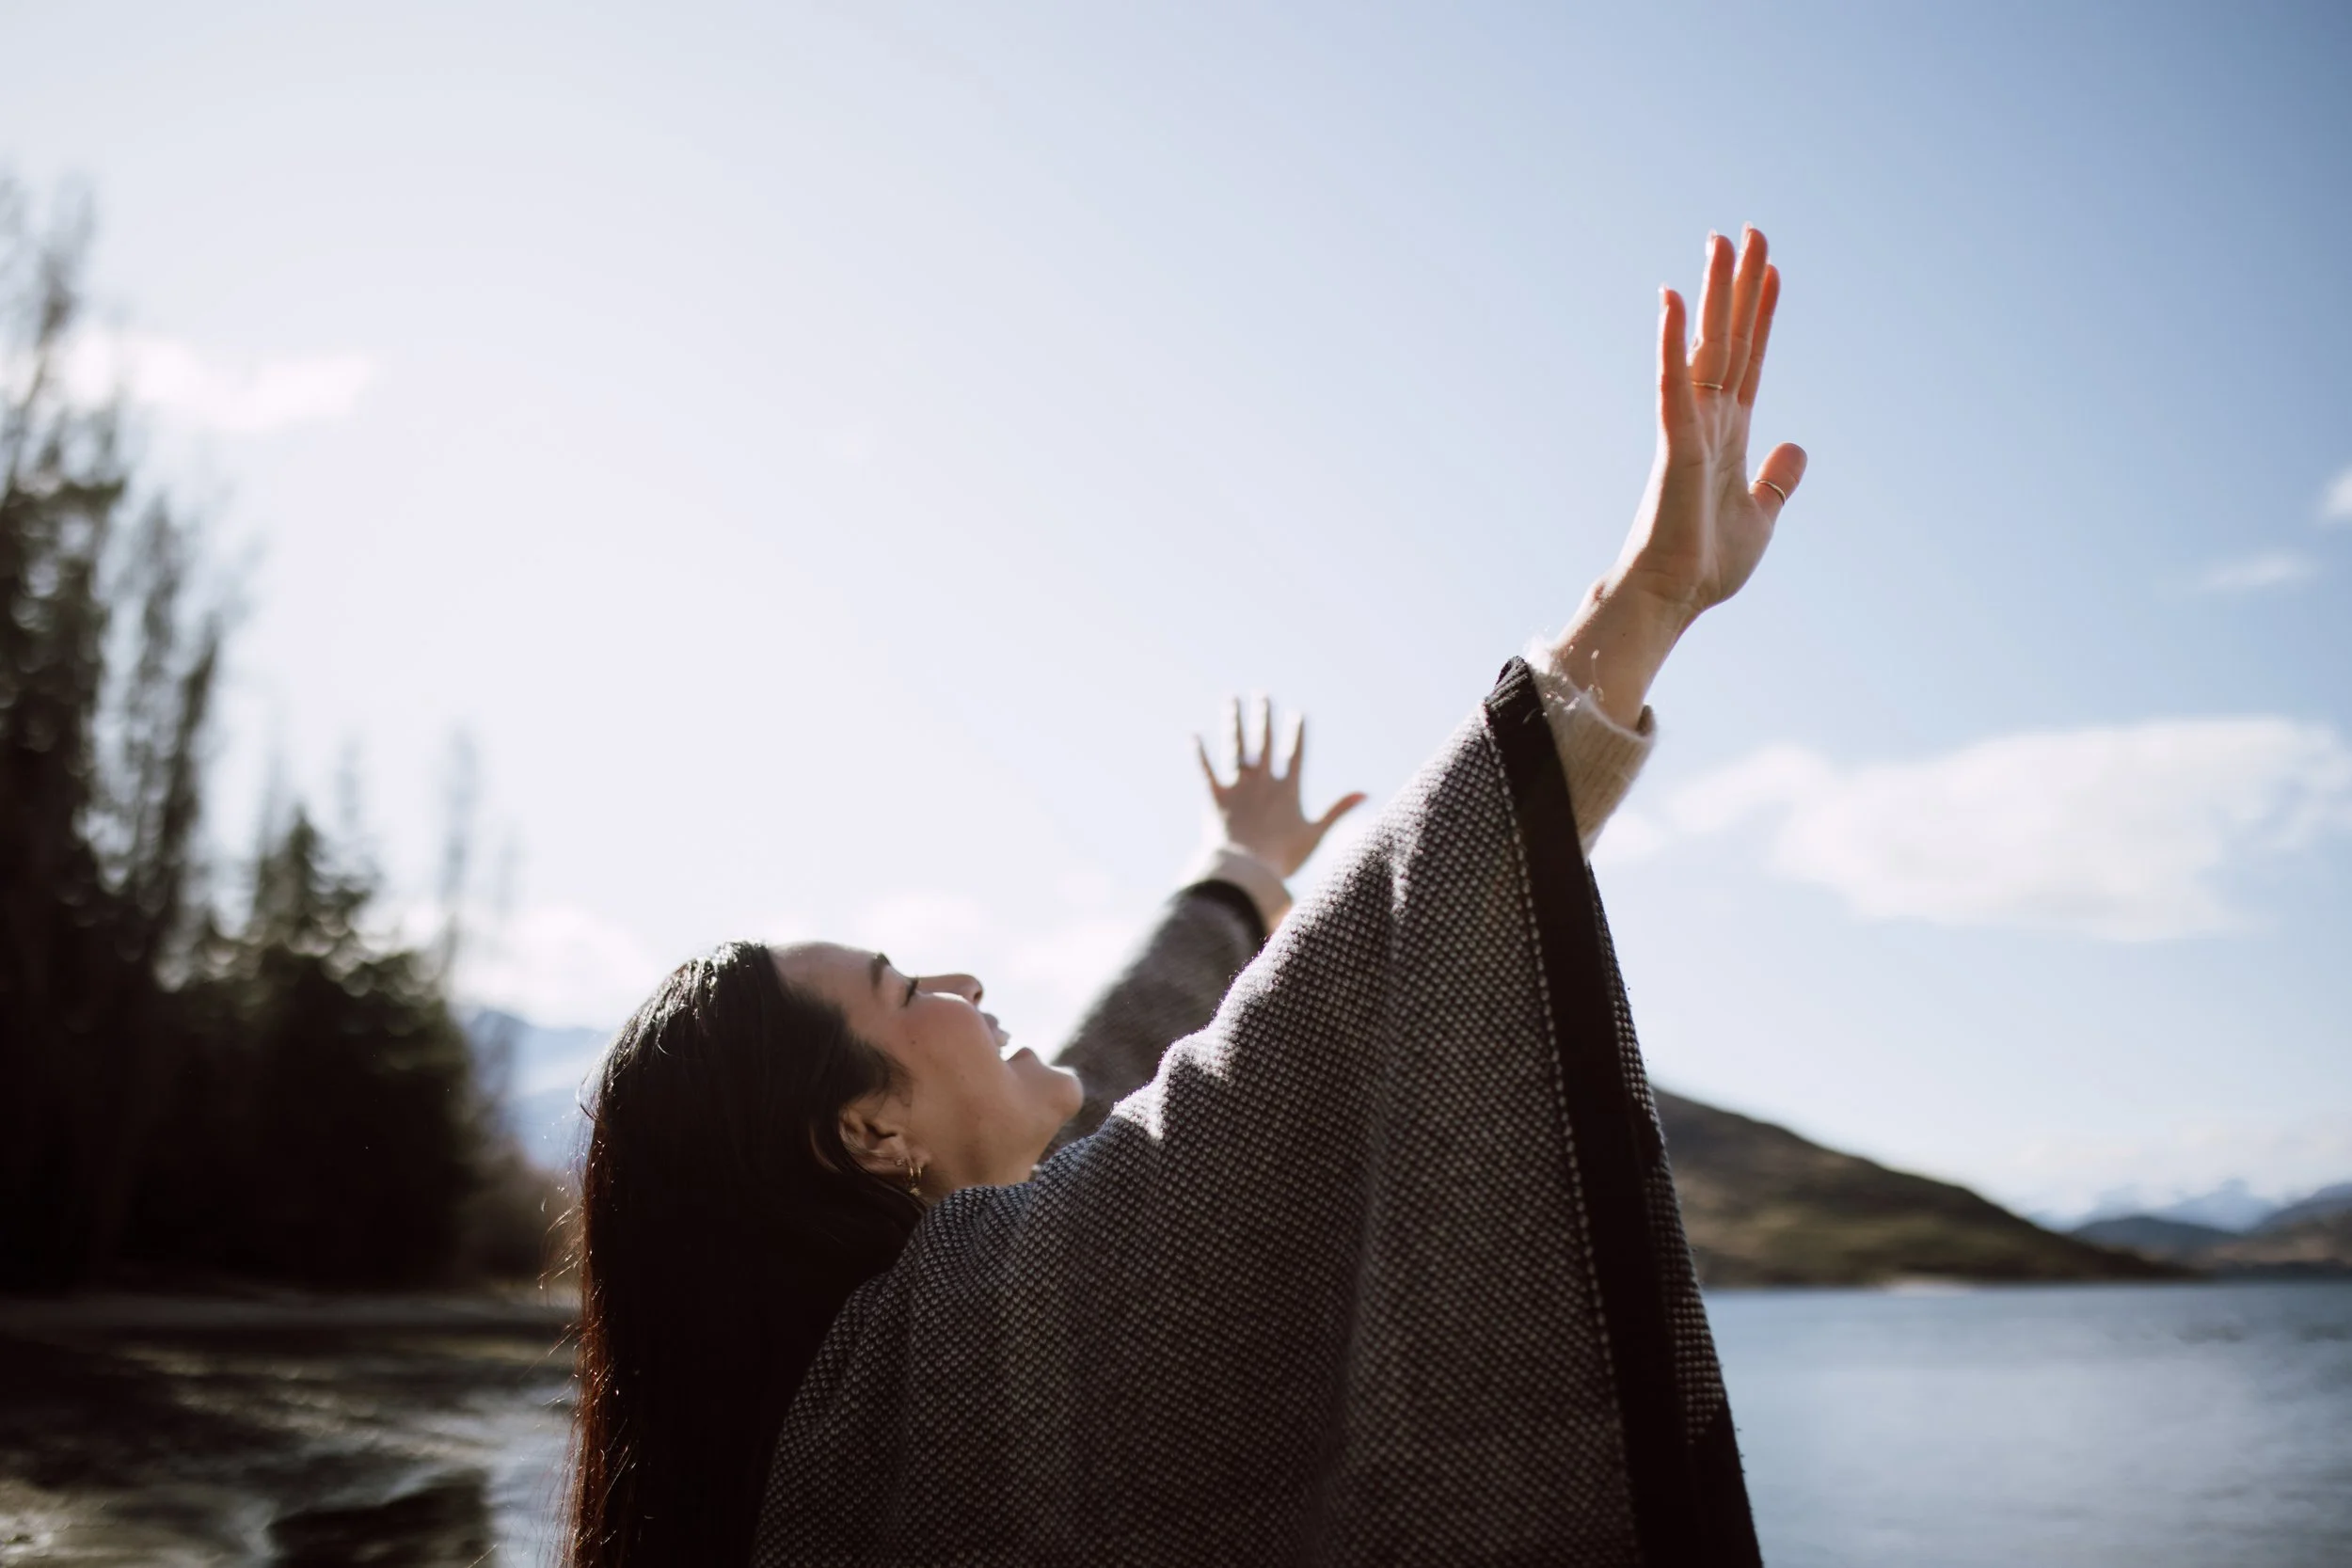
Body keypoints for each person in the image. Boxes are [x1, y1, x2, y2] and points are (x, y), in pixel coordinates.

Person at [568, 227, 1805, 1568]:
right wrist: (1646, 599)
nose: (965, 981)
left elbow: (1109, 1072)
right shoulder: (976, 1340)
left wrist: (1240, 874)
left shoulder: (832, 1411)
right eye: (905, 987)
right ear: (870, 1133)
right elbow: (1311, 1033)